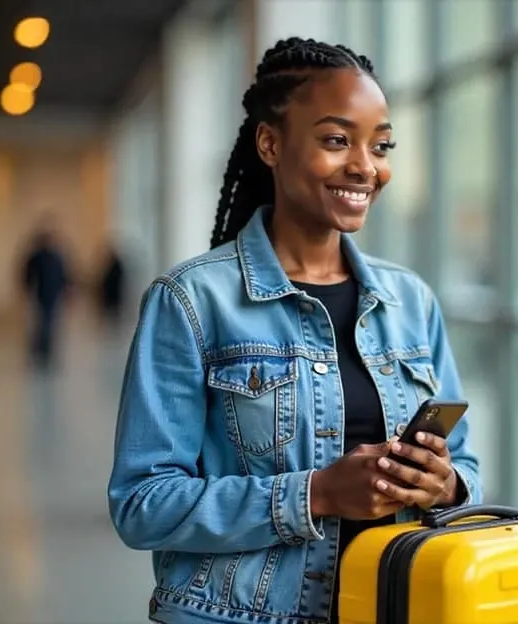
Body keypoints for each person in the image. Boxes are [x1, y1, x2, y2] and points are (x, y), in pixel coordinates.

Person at [107, 38, 482, 624]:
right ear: (270, 143)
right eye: (337, 140)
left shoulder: (410, 300)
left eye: (381, 145)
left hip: (391, 607)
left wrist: (445, 484)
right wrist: (316, 493)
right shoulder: (191, 300)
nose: (365, 165)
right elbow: (142, 504)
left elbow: (465, 467)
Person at [20, 222, 70, 368]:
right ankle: (39, 352)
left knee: (51, 324)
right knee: (41, 325)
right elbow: (27, 276)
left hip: (53, 296)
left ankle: (47, 352)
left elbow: (64, 275)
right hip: (40, 295)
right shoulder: (36, 257)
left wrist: (66, 290)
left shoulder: (56, 256)